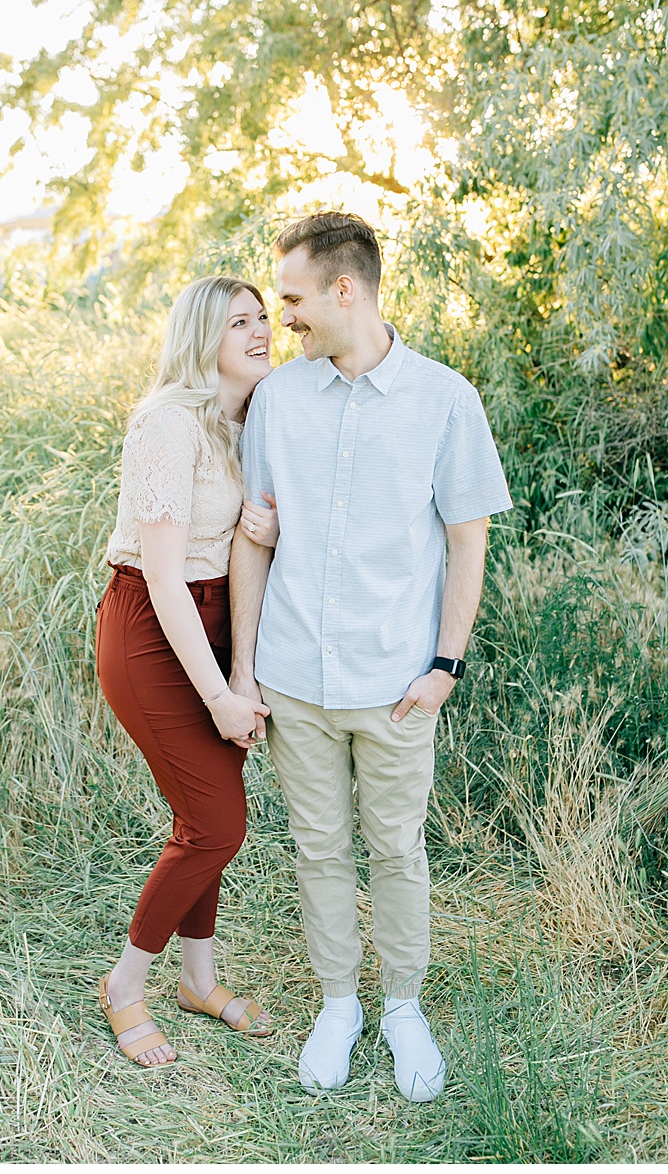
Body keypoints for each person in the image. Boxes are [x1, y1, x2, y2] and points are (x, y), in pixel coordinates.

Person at [228, 211, 511, 1102]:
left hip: (396, 684)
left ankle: (402, 1008)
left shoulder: (445, 400)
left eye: (296, 299)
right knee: (318, 849)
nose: (288, 319)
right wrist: (244, 669)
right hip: (295, 676)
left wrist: (445, 667)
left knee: (395, 848)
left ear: (345, 289)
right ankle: (339, 1004)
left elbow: (470, 542)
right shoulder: (278, 399)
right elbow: (254, 539)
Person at [94, 275, 281, 1066]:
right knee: (216, 822)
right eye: (240, 321)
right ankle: (126, 983)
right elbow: (167, 577)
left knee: (211, 814)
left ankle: (198, 979)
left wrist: (243, 671)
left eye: (265, 316)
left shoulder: (247, 422)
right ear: (203, 339)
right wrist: (215, 690)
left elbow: (241, 551)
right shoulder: (166, 425)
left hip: (212, 622)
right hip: (150, 629)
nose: (262, 329)